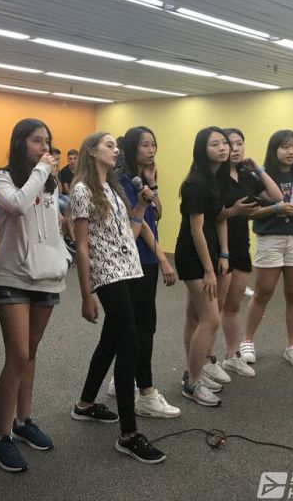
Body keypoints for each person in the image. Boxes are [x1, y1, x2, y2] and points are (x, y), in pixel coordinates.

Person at [69, 131, 166, 465]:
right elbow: (82, 247)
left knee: (110, 342)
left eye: (116, 146)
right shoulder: (82, 190)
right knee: (130, 347)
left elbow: (130, 232)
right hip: (109, 276)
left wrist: (141, 205)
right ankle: (128, 435)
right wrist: (86, 295)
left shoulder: (113, 189)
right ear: (91, 151)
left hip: (131, 271)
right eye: (109, 145)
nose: (115, 150)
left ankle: (84, 404)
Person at [0, 119, 72, 472]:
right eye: (37, 141)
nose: (45, 147)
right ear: (20, 142)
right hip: (13, 276)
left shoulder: (49, 183)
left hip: (46, 275)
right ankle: (0, 437)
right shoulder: (2, 177)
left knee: (31, 352)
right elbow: (19, 205)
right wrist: (41, 170)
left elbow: (52, 228)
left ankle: (23, 422)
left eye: (47, 141)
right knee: (18, 354)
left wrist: (64, 257)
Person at [111, 126, 179, 418]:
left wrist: (153, 185)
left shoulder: (143, 178)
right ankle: (146, 393)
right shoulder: (121, 180)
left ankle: (124, 377)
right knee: (141, 326)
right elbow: (138, 227)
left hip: (147, 260)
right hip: (134, 260)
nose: (151, 150)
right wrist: (163, 258)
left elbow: (158, 213)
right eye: (144, 145)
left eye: (153, 144)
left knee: (139, 325)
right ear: (131, 148)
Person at [240, 130, 293, 369]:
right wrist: (276, 209)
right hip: (270, 238)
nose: (291, 152)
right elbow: (249, 213)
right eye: (285, 147)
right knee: (263, 292)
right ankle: (247, 341)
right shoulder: (260, 176)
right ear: (274, 149)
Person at [215, 128, 282, 379]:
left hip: (241, 245)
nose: (235, 149)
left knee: (233, 305)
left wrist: (259, 169)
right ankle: (207, 361)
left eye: (239, 143)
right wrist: (233, 211)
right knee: (214, 310)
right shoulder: (216, 177)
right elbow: (210, 214)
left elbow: (276, 196)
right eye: (229, 144)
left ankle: (232, 356)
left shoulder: (246, 176)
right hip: (219, 247)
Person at [174, 127, 230, 407]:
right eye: (214, 144)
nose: (222, 148)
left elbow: (218, 218)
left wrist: (224, 253)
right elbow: (196, 230)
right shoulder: (196, 183)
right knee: (211, 318)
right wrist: (208, 269)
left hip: (206, 250)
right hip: (192, 254)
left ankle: (192, 371)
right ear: (202, 150)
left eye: (224, 143)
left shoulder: (215, 178)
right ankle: (193, 382)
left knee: (195, 317)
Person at [58, 148, 78, 249]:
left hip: (78, 194)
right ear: (67, 159)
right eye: (70, 158)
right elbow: (65, 190)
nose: (72, 161)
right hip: (68, 195)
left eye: (74, 158)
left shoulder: (81, 171)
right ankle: (72, 238)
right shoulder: (64, 171)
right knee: (69, 204)